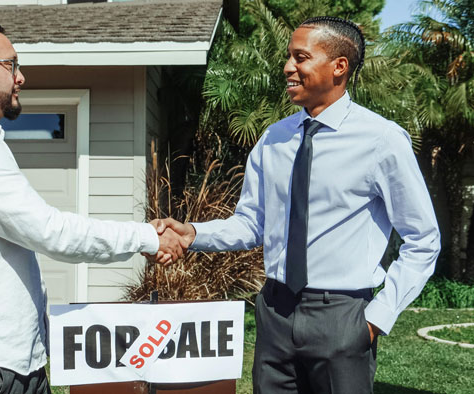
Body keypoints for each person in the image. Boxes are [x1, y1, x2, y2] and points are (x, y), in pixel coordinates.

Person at [152, 16, 440, 393]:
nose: (289, 67)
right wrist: (193, 234)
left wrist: (374, 320)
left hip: (342, 317)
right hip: (274, 312)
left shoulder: (382, 141)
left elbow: (423, 240)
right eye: (289, 57)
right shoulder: (275, 138)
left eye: (300, 57)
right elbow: (251, 224)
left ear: (339, 66)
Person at [0, 21, 184, 394]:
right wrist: (146, 237)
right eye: (12, 65)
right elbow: (50, 231)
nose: (21, 77)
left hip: (0, 365)